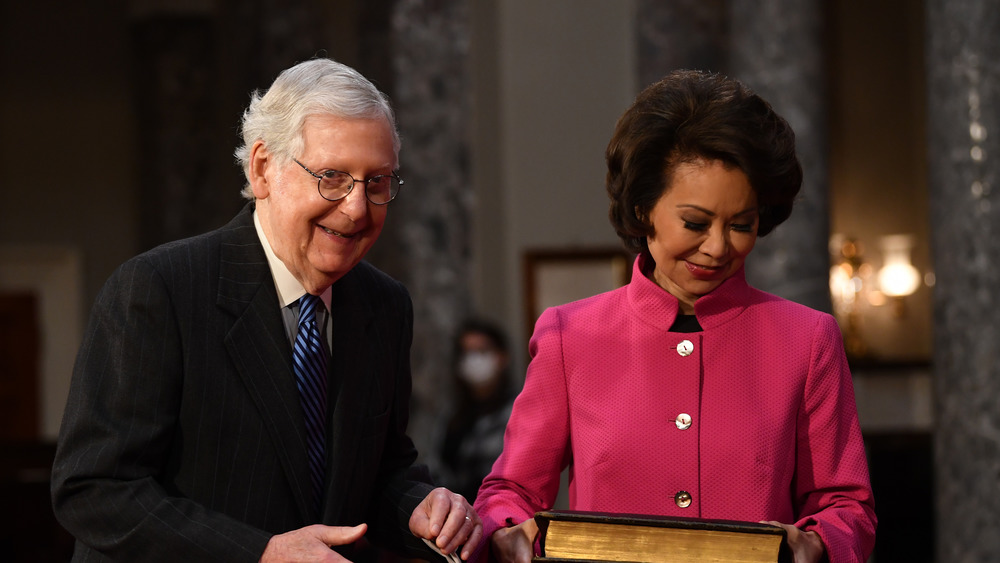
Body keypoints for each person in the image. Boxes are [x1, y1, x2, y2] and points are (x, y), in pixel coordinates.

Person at [51, 58, 482, 563]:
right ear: (262, 169)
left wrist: (420, 508)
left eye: (378, 182)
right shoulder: (158, 290)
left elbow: (379, 471)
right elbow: (94, 489)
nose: (357, 208)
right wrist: (260, 553)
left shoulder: (385, 306)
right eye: (332, 177)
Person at [472, 70, 876, 563]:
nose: (718, 247)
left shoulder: (808, 338)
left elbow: (846, 506)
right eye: (695, 222)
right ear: (643, 210)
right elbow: (508, 493)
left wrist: (815, 543)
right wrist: (508, 532)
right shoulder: (570, 335)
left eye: (741, 225)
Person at [438, 319, 517, 503]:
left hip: (503, 515)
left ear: (502, 357)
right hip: (456, 514)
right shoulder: (453, 414)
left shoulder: (518, 411)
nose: (474, 360)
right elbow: (438, 467)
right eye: (467, 353)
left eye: (482, 351)